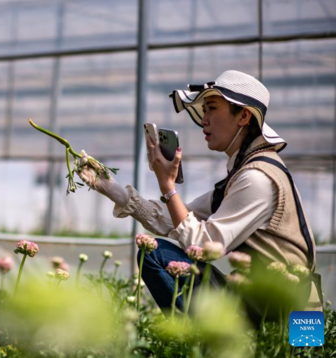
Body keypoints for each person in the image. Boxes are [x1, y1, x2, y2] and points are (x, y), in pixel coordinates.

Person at [78, 70, 322, 322]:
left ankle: (196, 342)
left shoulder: (256, 178)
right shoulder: (242, 173)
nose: (204, 120)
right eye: (203, 110)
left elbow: (205, 247)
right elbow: (173, 220)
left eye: (212, 109)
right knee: (154, 251)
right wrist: (109, 186)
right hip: (265, 302)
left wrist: (167, 186)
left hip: (292, 314)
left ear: (244, 116)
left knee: (155, 255)